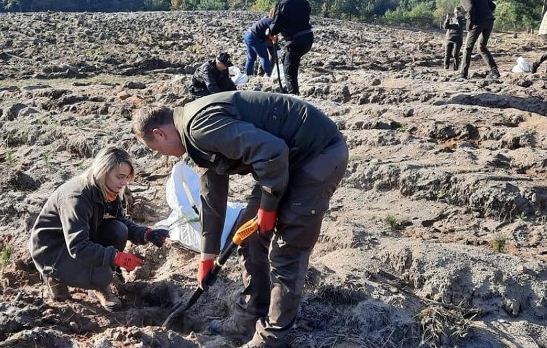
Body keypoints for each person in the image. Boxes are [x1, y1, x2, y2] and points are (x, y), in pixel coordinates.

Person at [132, 91, 349, 348]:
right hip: (283, 164)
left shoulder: (200, 126)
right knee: (249, 235)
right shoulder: (193, 136)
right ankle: (251, 312)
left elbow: (272, 151)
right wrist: (207, 255)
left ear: (159, 133)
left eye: (155, 149)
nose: (162, 155)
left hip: (317, 156)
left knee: (287, 252)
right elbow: (212, 196)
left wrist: (268, 209)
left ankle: (271, 338)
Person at [28, 146, 169, 311]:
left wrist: (146, 234)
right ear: (104, 171)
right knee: (104, 275)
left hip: (81, 240)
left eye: (127, 178)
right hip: (53, 251)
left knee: (119, 229)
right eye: (120, 177)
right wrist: (116, 257)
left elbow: (120, 221)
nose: (124, 183)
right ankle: (55, 276)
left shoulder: (109, 190)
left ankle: (98, 283)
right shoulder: (77, 198)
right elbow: (77, 246)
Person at [269, 0, 314, 95]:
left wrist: (269, 31)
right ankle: (290, 87)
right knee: (287, 60)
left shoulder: (282, 4)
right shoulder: (304, 2)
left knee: (289, 70)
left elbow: (276, 26)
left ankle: (293, 96)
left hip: (295, 41)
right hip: (308, 38)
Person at [454, 0, 500, 79]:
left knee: (467, 48)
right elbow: (493, 6)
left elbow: (470, 9)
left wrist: (469, 25)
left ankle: (463, 74)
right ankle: (494, 71)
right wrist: (485, 14)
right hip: (489, 21)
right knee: (482, 47)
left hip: (478, 23)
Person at [244, 10, 274, 77]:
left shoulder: (265, 19)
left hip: (248, 34)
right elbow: (271, 33)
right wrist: (274, 39)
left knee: (251, 57)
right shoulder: (272, 21)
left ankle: (248, 74)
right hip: (254, 38)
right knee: (264, 56)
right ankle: (268, 74)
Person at [441, 7, 466, 71]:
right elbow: (445, 27)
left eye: (457, 12)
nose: (456, 13)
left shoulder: (463, 19)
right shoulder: (451, 18)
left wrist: (458, 18)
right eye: (455, 12)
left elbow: (461, 26)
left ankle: (455, 68)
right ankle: (446, 68)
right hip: (449, 38)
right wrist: (447, 19)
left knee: (455, 54)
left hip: (458, 38)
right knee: (447, 54)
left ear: (460, 12)